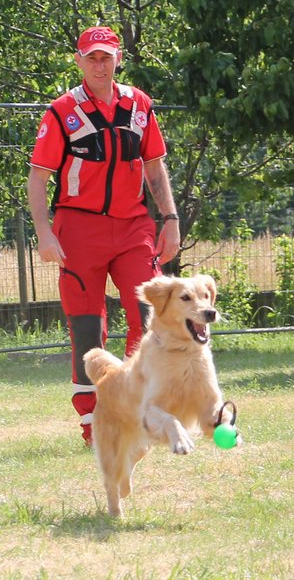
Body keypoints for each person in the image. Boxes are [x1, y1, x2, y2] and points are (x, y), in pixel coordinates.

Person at [27, 25, 181, 444]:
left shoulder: (139, 104)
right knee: (86, 327)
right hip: (78, 229)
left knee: (149, 316)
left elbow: (154, 166)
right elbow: (39, 178)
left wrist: (170, 219)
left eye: (106, 57)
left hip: (134, 227)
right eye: (91, 57)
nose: (99, 64)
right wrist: (44, 232)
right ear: (78, 61)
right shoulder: (62, 111)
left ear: (117, 60)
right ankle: (93, 420)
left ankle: (139, 403)